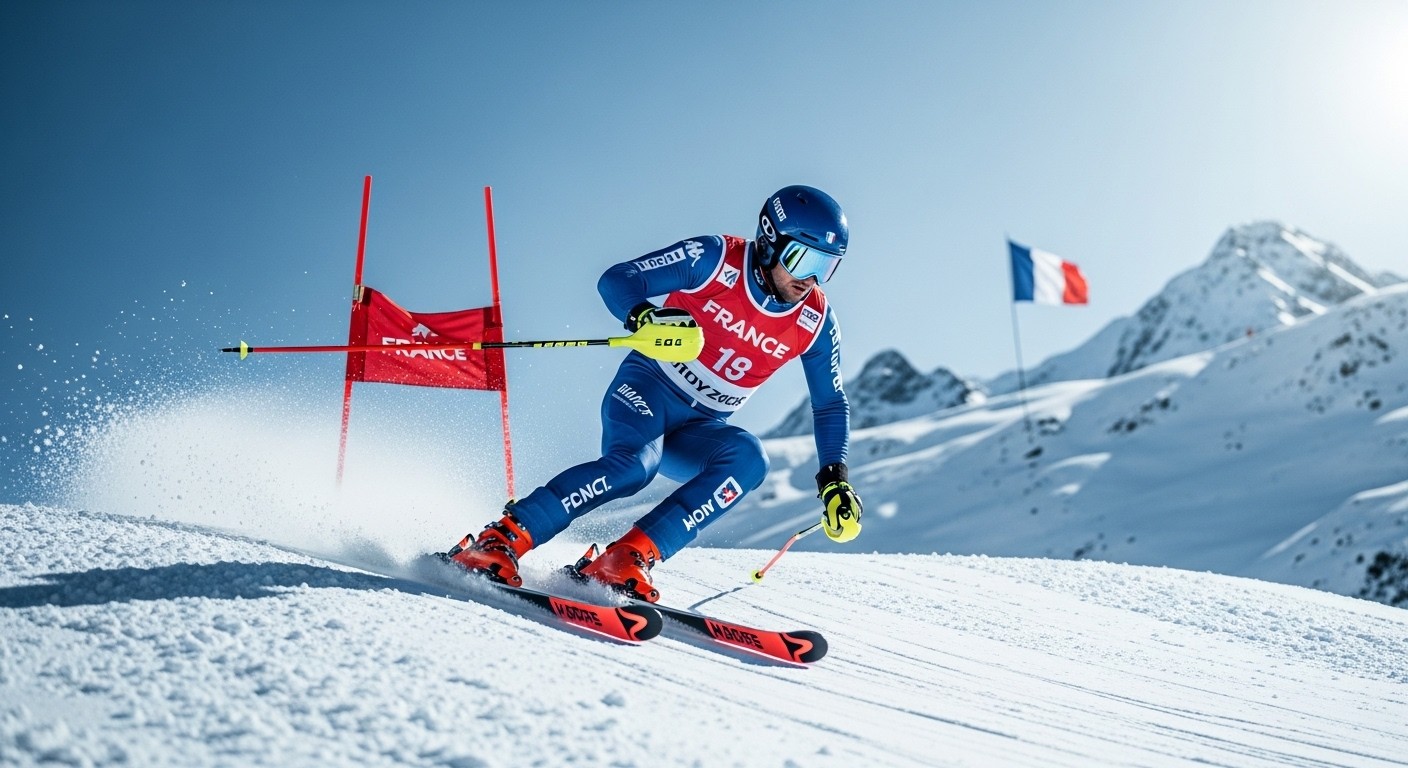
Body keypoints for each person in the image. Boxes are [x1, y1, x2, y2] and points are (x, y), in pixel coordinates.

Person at [441, 185, 864, 602]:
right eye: (802, 259)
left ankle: (623, 559)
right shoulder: (715, 259)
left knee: (750, 459)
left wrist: (834, 480)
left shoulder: (816, 322)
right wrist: (644, 315)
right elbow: (618, 279)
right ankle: (500, 539)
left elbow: (829, 403)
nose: (810, 279)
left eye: (826, 267)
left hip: (699, 427)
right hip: (647, 389)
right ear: (771, 242)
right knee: (633, 468)